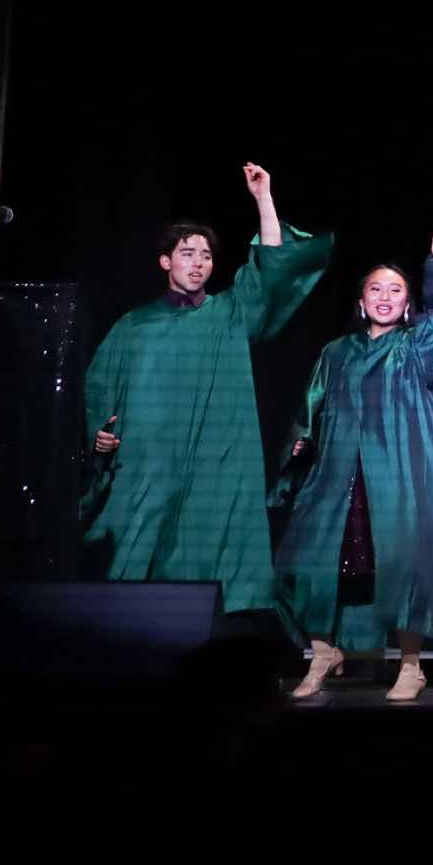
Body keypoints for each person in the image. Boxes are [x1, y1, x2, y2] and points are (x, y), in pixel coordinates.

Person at [83, 163, 334, 624]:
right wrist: (98, 437)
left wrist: (263, 199)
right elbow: (99, 394)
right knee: (132, 571)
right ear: (166, 261)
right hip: (147, 466)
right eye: (187, 253)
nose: (198, 262)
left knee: (205, 568)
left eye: (205, 256)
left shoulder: (229, 314)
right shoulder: (133, 328)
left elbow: (272, 268)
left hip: (214, 466)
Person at [271, 237, 433, 699]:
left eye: (395, 290)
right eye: (375, 289)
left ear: (408, 303)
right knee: (310, 562)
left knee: (404, 566)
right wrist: (299, 446)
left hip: (400, 475)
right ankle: (323, 652)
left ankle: (411, 665)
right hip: (339, 474)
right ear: (360, 300)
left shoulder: (418, 345)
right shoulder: (336, 352)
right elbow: (309, 407)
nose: (384, 297)